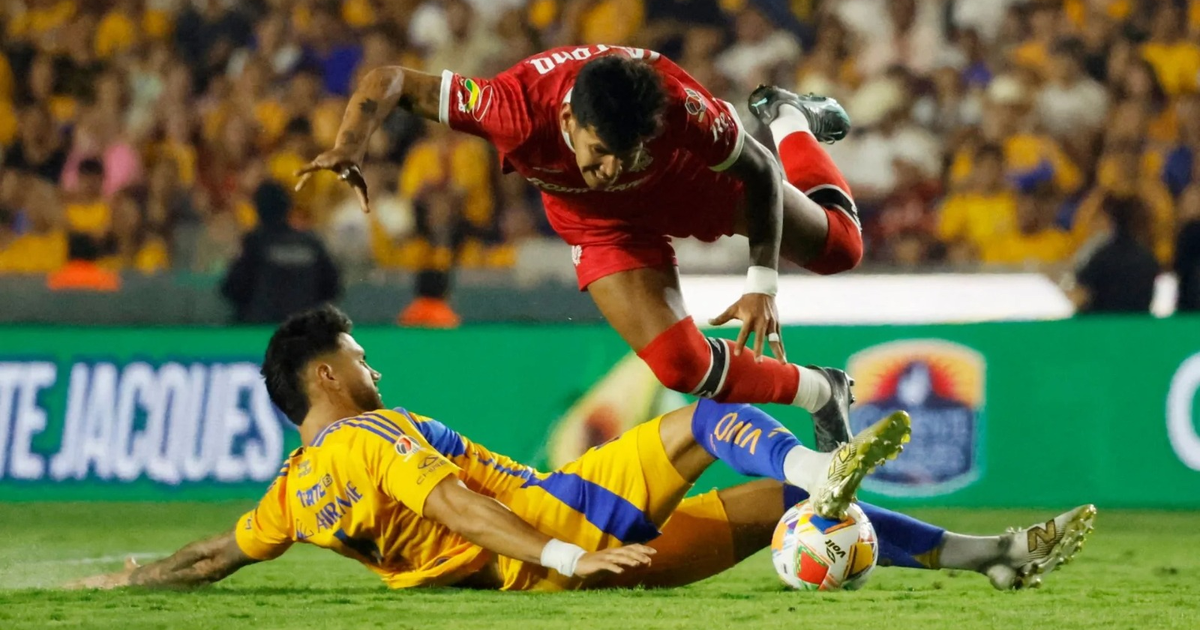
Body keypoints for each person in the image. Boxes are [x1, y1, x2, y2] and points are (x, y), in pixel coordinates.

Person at [67, 306, 1095, 592]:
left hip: (560, 571)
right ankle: (816, 464)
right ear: (325, 377)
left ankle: (993, 557)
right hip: (559, 522)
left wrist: (135, 580)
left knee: (789, 519)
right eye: (357, 354)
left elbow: (221, 551)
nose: (372, 365)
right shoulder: (372, 435)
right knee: (705, 412)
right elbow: (454, 505)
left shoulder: (293, 491)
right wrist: (567, 549)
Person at [297, 45, 866, 453]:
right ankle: (823, 391)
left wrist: (761, 285)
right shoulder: (512, 110)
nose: (612, 169)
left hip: (688, 186)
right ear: (568, 118)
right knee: (679, 366)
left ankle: (788, 117)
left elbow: (759, 169)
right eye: (599, 152)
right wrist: (349, 146)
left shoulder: (679, 106)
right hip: (601, 225)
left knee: (842, 250)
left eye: (628, 152)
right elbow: (391, 79)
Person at [221, 181, 341, 324]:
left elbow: (232, 287)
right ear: (288, 208)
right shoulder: (311, 243)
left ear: (258, 208)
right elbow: (332, 287)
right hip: (305, 329)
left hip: (260, 329)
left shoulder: (255, 242)